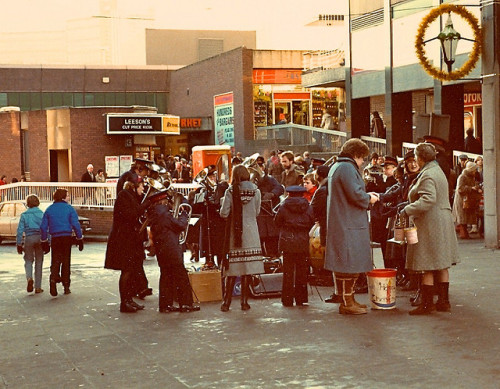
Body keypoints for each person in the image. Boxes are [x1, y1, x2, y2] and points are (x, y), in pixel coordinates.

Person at [401, 142, 459, 315]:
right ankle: (443, 301)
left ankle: (427, 304)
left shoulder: (427, 174)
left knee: (426, 263)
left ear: (420, 158)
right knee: (441, 263)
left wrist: (407, 209)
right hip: (441, 220)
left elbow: (427, 199)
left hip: (430, 223)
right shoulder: (437, 170)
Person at [324, 138, 379, 315]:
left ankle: (348, 298)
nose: (363, 162)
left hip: (341, 221)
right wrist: (369, 198)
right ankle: (348, 302)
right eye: (362, 158)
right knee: (351, 264)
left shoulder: (336, 166)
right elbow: (355, 194)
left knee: (344, 265)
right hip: (349, 223)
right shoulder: (347, 168)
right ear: (356, 155)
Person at [219, 165, 264, 312]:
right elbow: (257, 212)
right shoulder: (256, 191)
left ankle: (227, 303)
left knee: (233, 268)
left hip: (236, 233)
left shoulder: (231, 191)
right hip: (251, 232)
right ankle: (244, 302)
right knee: (247, 269)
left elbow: (224, 213)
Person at [105, 175, 150, 313]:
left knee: (132, 270)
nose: (143, 188)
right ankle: (124, 302)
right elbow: (131, 214)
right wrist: (146, 204)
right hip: (123, 241)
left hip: (130, 240)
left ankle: (129, 299)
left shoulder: (130, 196)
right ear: (134, 186)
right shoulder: (124, 195)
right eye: (141, 186)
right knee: (127, 270)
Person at [148, 196, 200, 313]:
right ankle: (186, 304)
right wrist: (184, 215)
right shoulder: (164, 215)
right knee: (181, 277)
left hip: (162, 250)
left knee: (166, 276)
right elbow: (180, 225)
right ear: (163, 201)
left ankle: (165, 305)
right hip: (171, 249)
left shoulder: (155, 214)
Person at [274, 185, 314, 307]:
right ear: (302, 194)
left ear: (289, 194)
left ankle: (287, 300)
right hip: (302, 241)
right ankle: (301, 299)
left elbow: (277, 222)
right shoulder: (307, 206)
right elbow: (311, 221)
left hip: (287, 241)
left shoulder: (284, 207)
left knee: (288, 271)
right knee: (302, 270)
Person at [41, 189, 84, 297]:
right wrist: (79, 238)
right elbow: (75, 224)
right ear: (63, 197)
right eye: (68, 196)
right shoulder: (69, 209)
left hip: (55, 238)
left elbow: (43, 227)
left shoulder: (49, 209)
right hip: (66, 237)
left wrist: (44, 240)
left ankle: (53, 279)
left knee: (55, 259)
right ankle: (66, 286)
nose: (69, 197)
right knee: (66, 260)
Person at [16, 194, 45, 294]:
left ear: (27, 203)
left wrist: (19, 244)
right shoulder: (42, 214)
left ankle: (29, 278)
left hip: (29, 238)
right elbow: (46, 228)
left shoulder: (24, 215)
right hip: (40, 238)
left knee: (28, 260)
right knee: (39, 262)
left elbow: (20, 230)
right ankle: (38, 287)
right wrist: (47, 242)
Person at [452, 161, 482, 239]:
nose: (475, 171)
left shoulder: (471, 177)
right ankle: (463, 234)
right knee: (462, 218)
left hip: (467, 199)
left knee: (465, 218)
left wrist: (476, 187)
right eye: (474, 170)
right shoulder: (462, 177)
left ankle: (464, 234)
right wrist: (471, 188)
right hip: (462, 200)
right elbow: (460, 189)